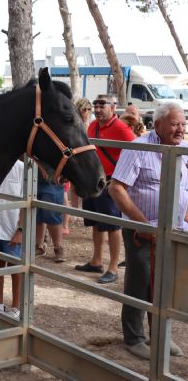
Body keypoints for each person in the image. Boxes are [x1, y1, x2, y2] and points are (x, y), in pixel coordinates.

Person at [109, 102, 188, 359]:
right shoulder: (140, 147)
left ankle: (160, 337)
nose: (181, 129)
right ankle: (134, 338)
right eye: (175, 124)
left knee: (166, 285)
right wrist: (142, 224)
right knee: (140, 281)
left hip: (175, 230)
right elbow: (116, 188)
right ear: (158, 125)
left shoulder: (183, 150)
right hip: (143, 230)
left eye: (183, 124)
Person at [75, 94, 135, 284]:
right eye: (96, 105)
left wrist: (121, 179)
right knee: (95, 222)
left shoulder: (121, 129)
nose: (98, 109)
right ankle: (97, 260)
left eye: (103, 105)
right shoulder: (93, 126)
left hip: (110, 183)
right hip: (93, 181)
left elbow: (137, 151)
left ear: (113, 107)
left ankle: (113, 267)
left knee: (112, 225)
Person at [0, 158, 24, 319]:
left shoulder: (22, 168)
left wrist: (21, 229)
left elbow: (26, 200)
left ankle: (16, 306)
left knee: (15, 266)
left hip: (12, 226)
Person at [34, 170, 66, 263]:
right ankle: (39, 246)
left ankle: (58, 247)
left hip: (52, 181)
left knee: (52, 214)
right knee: (36, 214)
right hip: (33, 179)